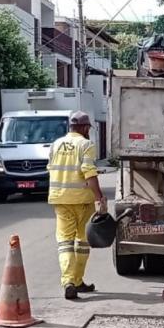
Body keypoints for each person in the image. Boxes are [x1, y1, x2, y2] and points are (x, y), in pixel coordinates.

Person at [47, 111, 106, 300]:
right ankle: (77, 280)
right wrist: (100, 198)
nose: (89, 130)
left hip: (60, 200)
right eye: (88, 127)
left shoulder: (55, 144)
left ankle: (69, 282)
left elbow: (50, 169)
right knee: (82, 242)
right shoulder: (86, 145)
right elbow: (89, 172)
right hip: (82, 200)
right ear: (83, 127)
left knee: (65, 243)